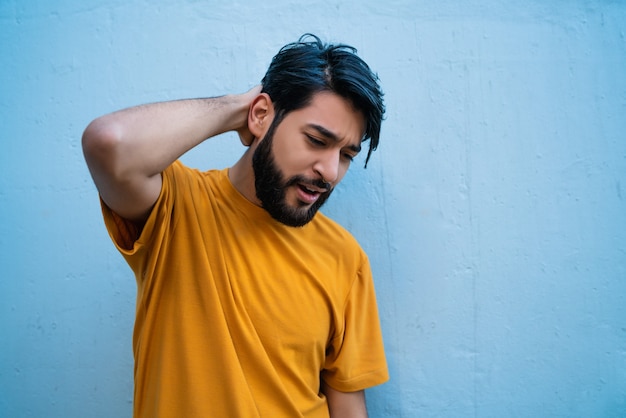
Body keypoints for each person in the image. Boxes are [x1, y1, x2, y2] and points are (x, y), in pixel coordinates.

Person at [82, 33, 388, 418]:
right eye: (315, 140)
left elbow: (347, 407)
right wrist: (235, 109)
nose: (329, 171)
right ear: (261, 115)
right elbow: (109, 143)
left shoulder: (345, 257)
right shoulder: (176, 208)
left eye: (345, 155)